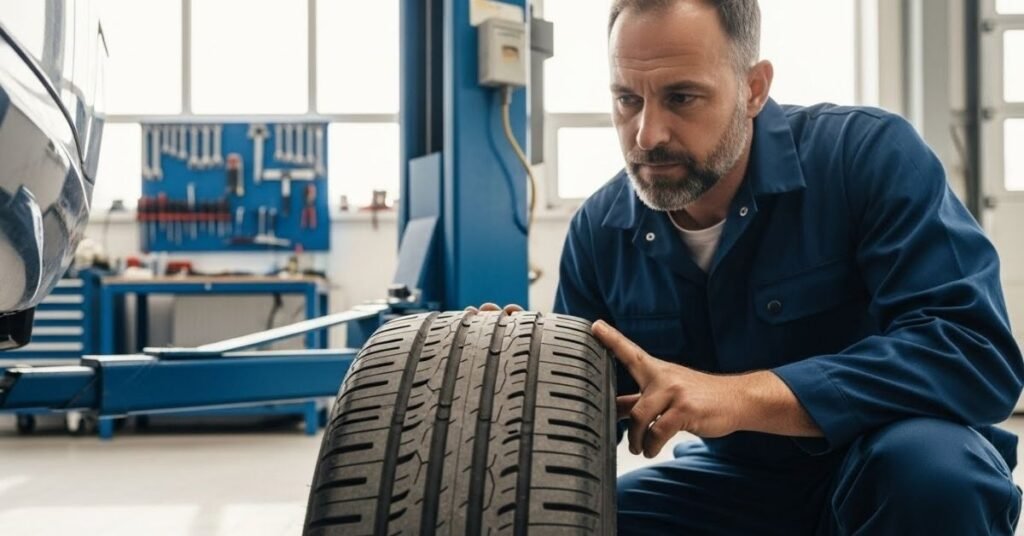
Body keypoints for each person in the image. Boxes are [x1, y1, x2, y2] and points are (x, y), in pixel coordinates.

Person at [540, 0, 1024, 533]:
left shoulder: (865, 156)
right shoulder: (600, 232)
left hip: (886, 456)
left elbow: (974, 353)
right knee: (584, 520)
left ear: (753, 88)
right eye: (627, 99)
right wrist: (496, 371)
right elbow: (571, 431)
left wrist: (741, 397)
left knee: (935, 477)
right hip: (733, 482)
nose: (647, 135)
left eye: (681, 97)